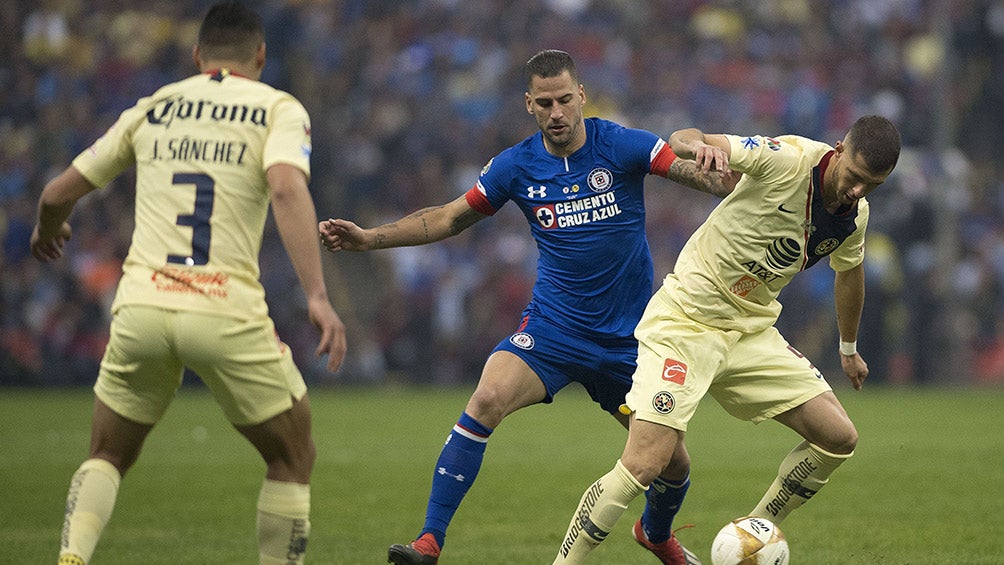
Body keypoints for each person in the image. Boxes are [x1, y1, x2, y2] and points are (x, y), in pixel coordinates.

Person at [319, 49, 735, 565]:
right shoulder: (515, 166)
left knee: (672, 463)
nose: (557, 111)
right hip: (554, 331)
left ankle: (656, 534)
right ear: (529, 105)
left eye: (564, 99)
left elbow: (685, 172)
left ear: (581, 96)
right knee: (487, 397)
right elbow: (448, 219)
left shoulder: (621, 144)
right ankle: (429, 541)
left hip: (630, 342)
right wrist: (370, 239)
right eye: (545, 103)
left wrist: (719, 174)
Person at [30, 3, 347, 564]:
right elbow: (285, 189)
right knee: (292, 453)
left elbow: (55, 195)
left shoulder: (155, 107)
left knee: (107, 452)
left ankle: (71, 557)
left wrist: (48, 232)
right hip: (223, 307)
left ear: (197, 56)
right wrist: (318, 297)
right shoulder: (276, 107)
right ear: (261, 56)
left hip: (142, 306)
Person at [552, 115, 901, 563]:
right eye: (854, 176)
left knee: (838, 437)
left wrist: (848, 348)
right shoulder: (786, 160)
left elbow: (850, 272)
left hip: (750, 331)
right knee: (644, 463)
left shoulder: (857, 215)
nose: (857, 190)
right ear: (839, 149)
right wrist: (701, 146)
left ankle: (749, 545)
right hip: (686, 322)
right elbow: (684, 138)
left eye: (872, 185)